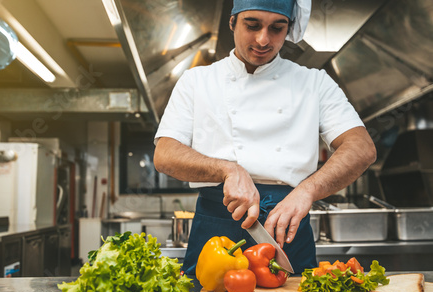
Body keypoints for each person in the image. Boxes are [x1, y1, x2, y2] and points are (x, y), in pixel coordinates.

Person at [153, 0, 376, 275]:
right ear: (233, 22)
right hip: (217, 229)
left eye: (277, 28)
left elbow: (361, 148)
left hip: (285, 230)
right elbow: (165, 154)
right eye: (252, 25)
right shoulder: (196, 81)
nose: (263, 39)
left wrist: (307, 191)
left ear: (288, 29)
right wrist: (228, 170)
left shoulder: (315, 83)